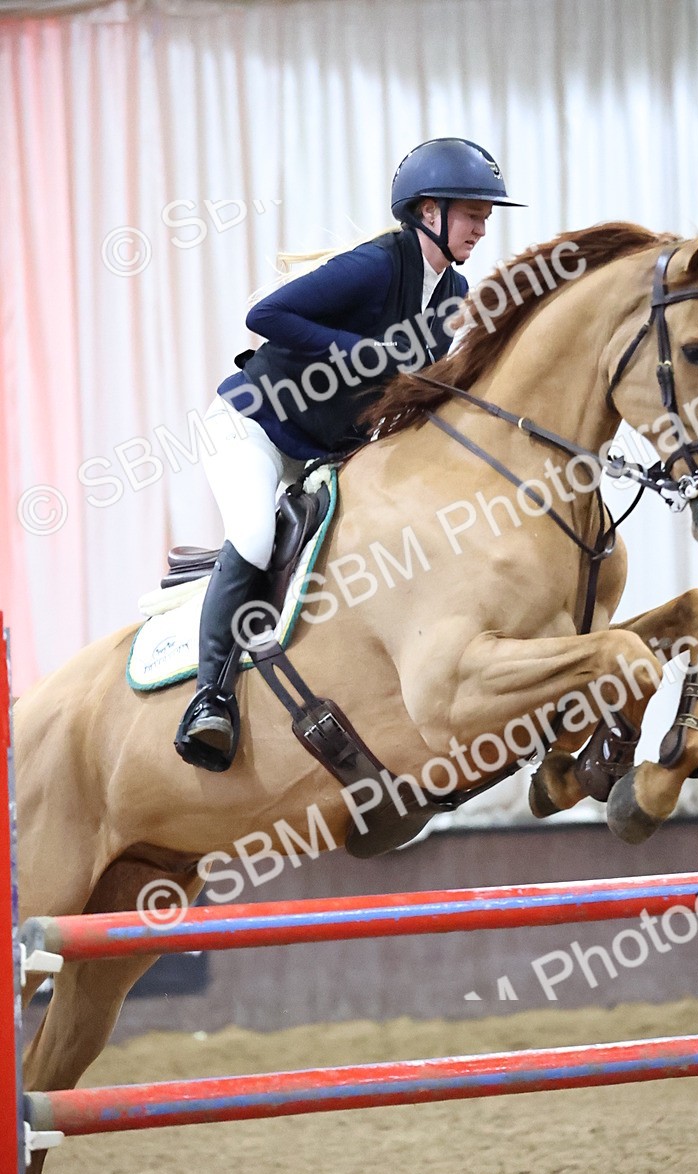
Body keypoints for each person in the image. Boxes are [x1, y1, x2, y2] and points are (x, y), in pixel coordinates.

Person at [176, 137, 524, 770]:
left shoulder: (453, 291)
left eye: (485, 215)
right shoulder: (376, 265)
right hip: (253, 426)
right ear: (428, 212)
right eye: (472, 213)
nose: (482, 227)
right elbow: (267, 315)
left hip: (327, 450)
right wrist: (363, 354)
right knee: (254, 535)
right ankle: (210, 699)